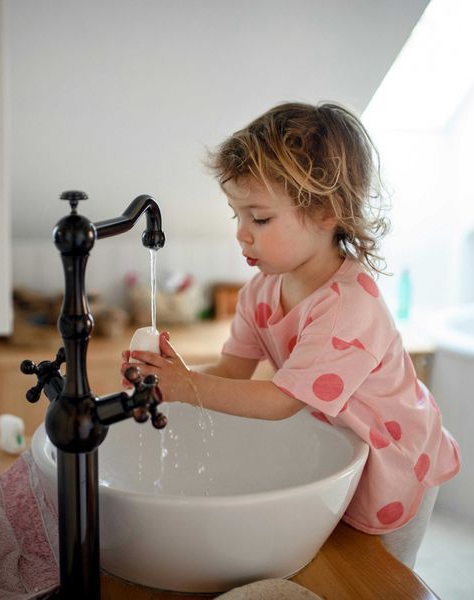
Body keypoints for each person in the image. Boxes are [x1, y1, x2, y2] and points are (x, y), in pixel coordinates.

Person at [120, 101, 460, 568]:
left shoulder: (348, 308)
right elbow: (231, 372)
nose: (242, 234)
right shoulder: (260, 292)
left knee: (379, 580)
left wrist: (186, 386)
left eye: (258, 219)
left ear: (327, 212)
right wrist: (168, 378)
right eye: (235, 215)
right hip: (337, 445)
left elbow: (283, 401)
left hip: (397, 460)